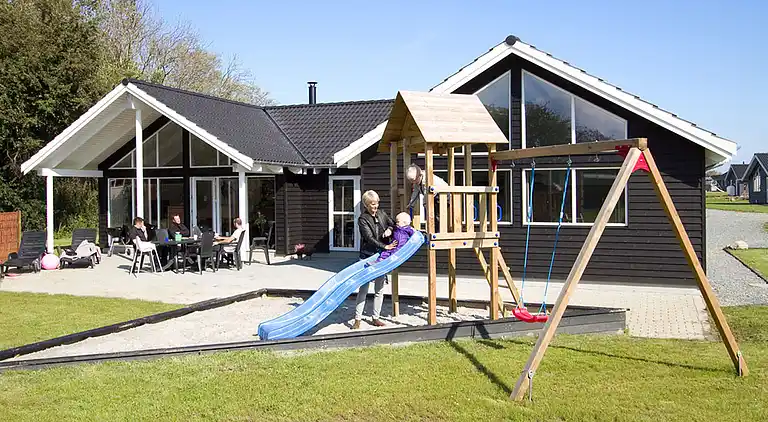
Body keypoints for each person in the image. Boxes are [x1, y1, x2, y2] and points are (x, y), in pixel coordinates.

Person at [354, 190, 397, 329]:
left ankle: (375, 318)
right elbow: (369, 238)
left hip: (381, 256)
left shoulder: (382, 214)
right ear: (366, 205)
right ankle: (357, 319)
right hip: (367, 256)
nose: (375, 206)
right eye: (373, 204)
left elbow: (393, 224)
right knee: (364, 289)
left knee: (379, 288)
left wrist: (390, 229)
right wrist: (385, 246)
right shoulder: (362, 219)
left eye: (377, 203)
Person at [406, 163, 448, 229]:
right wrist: (411, 204)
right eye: (411, 181)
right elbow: (415, 192)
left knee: (437, 214)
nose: (413, 183)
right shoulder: (417, 181)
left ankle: (439, 230)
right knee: (433, 214)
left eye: (414, 180)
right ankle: (434, 229)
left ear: (420, 175)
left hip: (443, 193)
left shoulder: (427, 179)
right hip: (433, 196)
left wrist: (425, 204)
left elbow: (426, 194)